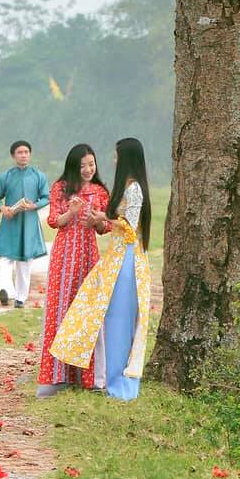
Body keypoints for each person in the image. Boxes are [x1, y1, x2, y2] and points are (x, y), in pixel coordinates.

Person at [48, 137, 152, 400]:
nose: (113, 160)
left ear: (126, 158)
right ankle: (103, 378)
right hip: (115, 259)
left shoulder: (134, 189)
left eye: (116, 156)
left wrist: (103, 218)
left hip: (127, 260)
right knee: (107, 318)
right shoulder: (124, 187)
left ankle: (119, 383)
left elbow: (129, 230)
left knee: (119, 321)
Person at [37, 142, 110, 395]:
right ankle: (57, 376)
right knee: (60, 311)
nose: (88, 169)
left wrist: (96, 221)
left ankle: (88, 378)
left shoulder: (100, 192)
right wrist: (72, 212)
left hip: (88, 255)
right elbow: (54, 221)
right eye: (82, 166)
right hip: (64, 257)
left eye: (91, 164)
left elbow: (104, 227)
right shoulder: (61, 188)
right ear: (73, 167)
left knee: (87, 313)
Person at [0, 138, 49, 307]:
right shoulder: (6, 176)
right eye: (19, 153)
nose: (23, 155)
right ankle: (6, 291)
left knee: (25, 262)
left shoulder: (39, 176)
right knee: (5, 259)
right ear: (13, 156)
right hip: (10, 221)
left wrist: (34, 205)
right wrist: (2, 208)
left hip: (29, 222)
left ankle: (20, 298)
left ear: (30, 155)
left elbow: (46, 197)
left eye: (26, 152)